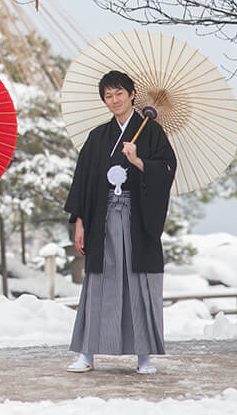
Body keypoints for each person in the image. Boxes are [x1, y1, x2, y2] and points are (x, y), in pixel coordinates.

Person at [63, 70, 177, 375]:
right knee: (98, 283)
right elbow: (83, 182)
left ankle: (144, 356)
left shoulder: (151, 132)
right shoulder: (98, 137)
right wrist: (80, 223)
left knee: (138, 283)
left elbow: (167, 168)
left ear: (131, 94)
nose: (114, 100)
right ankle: (87, 354)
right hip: (102, 218)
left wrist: (139, 161)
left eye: (119, 94)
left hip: (137, 220)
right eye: (108, 96)